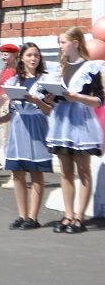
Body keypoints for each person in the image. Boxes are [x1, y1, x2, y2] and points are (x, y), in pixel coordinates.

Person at [0, 43, 52, 230]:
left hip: (37, 127)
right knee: (17, 172)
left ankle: (33, 217)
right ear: (22, 57)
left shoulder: (45, 80)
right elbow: (13, 110)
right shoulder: (14, 80)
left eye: (37, 56)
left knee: (36, 172)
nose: (34, 59)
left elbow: (50, 110)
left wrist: (36, 100)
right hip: (18, 128)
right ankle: (22, 215)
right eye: (30, 55)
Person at [46, 27, 104, 233]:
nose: (60, 46)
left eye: (63, 42)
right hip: (62, 121)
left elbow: (98, 100)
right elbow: (53, 96)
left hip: (80, 120)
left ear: (76, 42)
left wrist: (77, 97)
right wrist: (50, 96)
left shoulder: (91, 67)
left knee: (83, 169)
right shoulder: (59, 69)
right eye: (59, 42)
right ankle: (68, 215)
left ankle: (79, 216)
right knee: (65, 171)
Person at [0, 44, 18, 188]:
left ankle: (15, 175)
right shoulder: (4, 71)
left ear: (14, 55)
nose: (3, 57)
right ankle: (12, 173)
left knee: (10, 138)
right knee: (4, 138)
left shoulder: (16, 71)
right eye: (2, 54)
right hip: (3, 104)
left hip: (10, 103)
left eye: (6, 54)